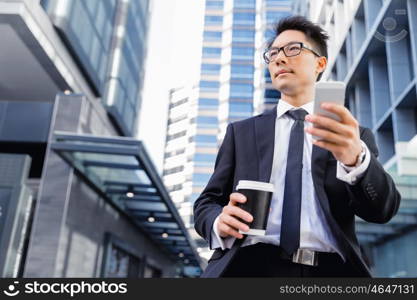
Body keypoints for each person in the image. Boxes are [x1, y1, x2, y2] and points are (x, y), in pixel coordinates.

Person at [193, 16, 401, 277]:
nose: (279, 59)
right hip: (247, 267)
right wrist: (218, 221)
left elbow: (382, 211)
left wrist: (355, 160)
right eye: (273, 53)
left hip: (329, 272)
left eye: (293, 49)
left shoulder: (349, 135)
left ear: (320, 64)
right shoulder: (241, 133)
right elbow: (206, 203)